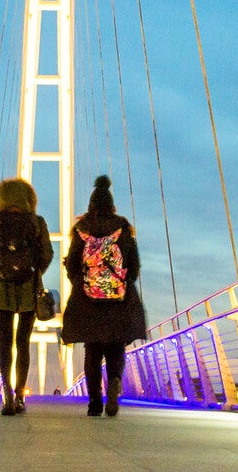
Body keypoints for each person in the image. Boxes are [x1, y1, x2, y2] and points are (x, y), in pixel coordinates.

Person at [61, 175, 145, 417]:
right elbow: (134, 265)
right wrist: (121, 283)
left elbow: (72, 266)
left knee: (93, 351)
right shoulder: (123, 228)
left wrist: (82, 284)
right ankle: (115, 382)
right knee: (116, 347)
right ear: (112, 204)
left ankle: (95, 403)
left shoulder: (81, 229)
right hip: (118, 300)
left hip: (88, 300)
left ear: (91, 205)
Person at [0, 178, 52, 416]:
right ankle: (20, 395)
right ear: (29, 199)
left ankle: (6, 393)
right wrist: (34, 273)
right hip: (29, 289)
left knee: (4, 343)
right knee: (23, 343)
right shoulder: (37, 222)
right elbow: (47, 254)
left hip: (2, 290)